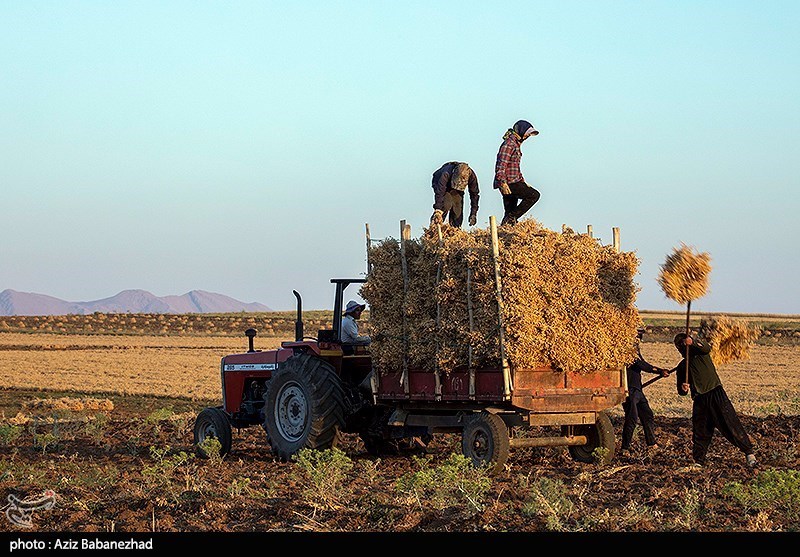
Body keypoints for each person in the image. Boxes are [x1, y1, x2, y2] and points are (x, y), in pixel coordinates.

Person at [671, 332, 756, 469]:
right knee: (700, 431)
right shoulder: (682, 367)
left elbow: (706, 347)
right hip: (699, 400)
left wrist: (693, 341)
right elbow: (681, 392)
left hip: (715, 393)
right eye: (678, 346)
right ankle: (699, 461)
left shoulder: (701, 354)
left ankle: (749, 453)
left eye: (682, 344)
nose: (680, 348)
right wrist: (684, 388)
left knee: (729, 423)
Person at [621, 328, 670, 453]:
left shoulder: (635, 351)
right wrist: (660, 370)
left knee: (647, 415)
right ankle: (624, 448)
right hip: (630, 391)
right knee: (631, 419)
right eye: (638, 336)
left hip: (637, 390)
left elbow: (641, 363)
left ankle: (651, 443)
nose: (639, 339)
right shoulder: (627, 351)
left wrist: (659, 370)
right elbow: (642, 365)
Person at [494, 119, 541, 226]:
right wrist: (502, 183)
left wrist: (523, 182)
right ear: (521, 131)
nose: (527, 137)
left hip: (514, 180)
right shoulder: (509, 144)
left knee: (510, 210)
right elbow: (501, 164)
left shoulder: (516, 144)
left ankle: (505, 231)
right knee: (534, 195)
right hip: (510, 182)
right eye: (527, 134)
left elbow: (515, 167)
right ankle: (511, 218)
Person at [430, 161, 480, 228]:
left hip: (457, 191)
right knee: (446, 204)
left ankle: (455, 230)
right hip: (441, 184)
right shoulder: (446, 174)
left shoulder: (471, 176)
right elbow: (440, 192)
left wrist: (473, 213)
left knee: (457, 208)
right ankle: (435, 227)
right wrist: (438, 210)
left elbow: (474, 195)